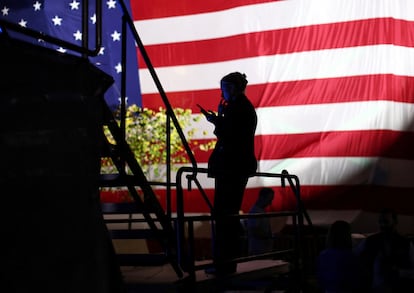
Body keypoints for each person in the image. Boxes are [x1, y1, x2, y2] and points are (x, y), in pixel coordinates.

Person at [202, 71, 257, 276]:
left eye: (223, 88)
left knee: (225, 217)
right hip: (234, 168)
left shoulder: (238, 108)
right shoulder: (240, 108)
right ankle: (225, 264)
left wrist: (218, 121)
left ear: (232, 88)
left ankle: (224, 265)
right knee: (226, 216)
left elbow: (230, 136)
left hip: (231, 169)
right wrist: (221, 118)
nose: (221, 92)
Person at [354, 208, 414, 292]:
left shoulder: (405, 244)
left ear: (395, 222)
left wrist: (399, 272)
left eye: (385, 222)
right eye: (380, 221)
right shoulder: (369, 241)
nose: (382, 225)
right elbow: (355, 259)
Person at [316, 220, 365, 293]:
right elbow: (357, 280)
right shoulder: (350, 256)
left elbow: (320, 279)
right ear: (346, 235)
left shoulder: (322, 255)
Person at [246, 187, 275, 255]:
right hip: (258, 250)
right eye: (269, 199)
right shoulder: (254, 212)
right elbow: (254, 230)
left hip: (263, 250)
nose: (270, 203)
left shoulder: (260, 210)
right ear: (262, 197)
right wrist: (269, 236)